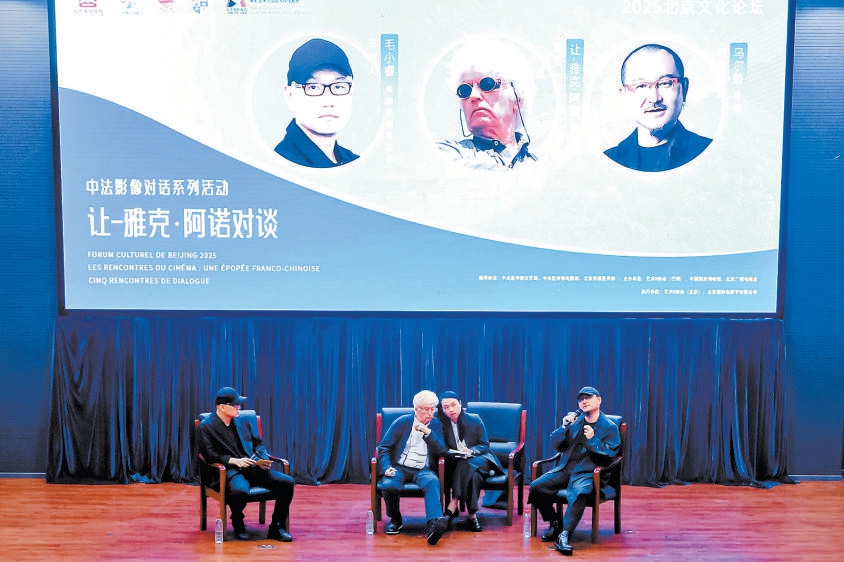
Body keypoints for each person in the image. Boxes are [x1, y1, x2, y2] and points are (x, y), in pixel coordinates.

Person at [528, 386, 621, 556]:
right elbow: (556, 445)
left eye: (588, 397)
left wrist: (593, 439)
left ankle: (564, 535)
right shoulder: (575, 422)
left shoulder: (610, 427)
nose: (584, 401)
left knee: (580, 492)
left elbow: (610, 456)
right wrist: (563, 427)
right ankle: (555, 522)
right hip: (565, 469)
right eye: (581, 399)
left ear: (599, 400)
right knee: (537, 486)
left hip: (587, 472)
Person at [197, 386, 295, 542]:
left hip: (253, 467)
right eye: (235, 405)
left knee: (287, 483)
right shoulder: (206, 427)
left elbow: (258, 444)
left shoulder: (242, 421)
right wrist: (234, 460)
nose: (239, 408)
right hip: (230, 470)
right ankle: (237, 520)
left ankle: (276, 527)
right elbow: (209, 455)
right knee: (240, 491)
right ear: (222, 407)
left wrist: (263, 459)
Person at [604, 44, 712, 172]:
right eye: (641, 86)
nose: (654, 98)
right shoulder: (608, 162)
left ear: (684, 88)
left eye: (665, 83)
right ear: (624, 95)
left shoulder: (709, 153)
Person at [437, 38, 537, 169]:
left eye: (487, 84)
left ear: (517, 99)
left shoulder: (539, 161)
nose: (473, 96)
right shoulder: (449, 154)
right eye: (464, 91)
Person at [376, 390, 451, 545]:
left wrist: (428, 433)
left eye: (433, 409)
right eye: (426, 409)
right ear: (416, 409)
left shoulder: (436, 425)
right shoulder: (402, 422)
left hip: (424, 469)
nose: (430, 413)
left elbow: (442, 451)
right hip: (400, 467)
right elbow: (384, 447)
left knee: (432, 482)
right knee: (389, 485)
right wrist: (387, 467)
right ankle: (395, 519)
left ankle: (433, 525)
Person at [274, 38, 359, 168]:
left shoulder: (352, 161)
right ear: (290, 96)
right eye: (313, 87)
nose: (328, 102)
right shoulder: (282, 164)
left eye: (338, 86)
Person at [437, 391, 505, 532]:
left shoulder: (474, 420)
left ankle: (453, 504)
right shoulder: (441, 424)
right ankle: (473, 516)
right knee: (473, 476)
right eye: (446, 407)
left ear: (460, 404)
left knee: (466, 463)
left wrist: (471, 451)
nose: (451, 409)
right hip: (459, 464)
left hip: (481, 459)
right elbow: (440, 447)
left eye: (454, 405)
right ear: (442, 409)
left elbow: (484, 445)